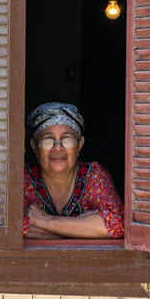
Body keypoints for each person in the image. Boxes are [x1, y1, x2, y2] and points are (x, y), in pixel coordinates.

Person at [23, 102, 124, 240]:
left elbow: (116, 224)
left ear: (79, 145)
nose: (57, 147)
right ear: (34, 147)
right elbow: (13, 227)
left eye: (67, 139)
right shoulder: (23, 179)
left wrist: (45, 221)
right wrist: (82, 229)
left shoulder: (94, 175)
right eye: (47, 140)